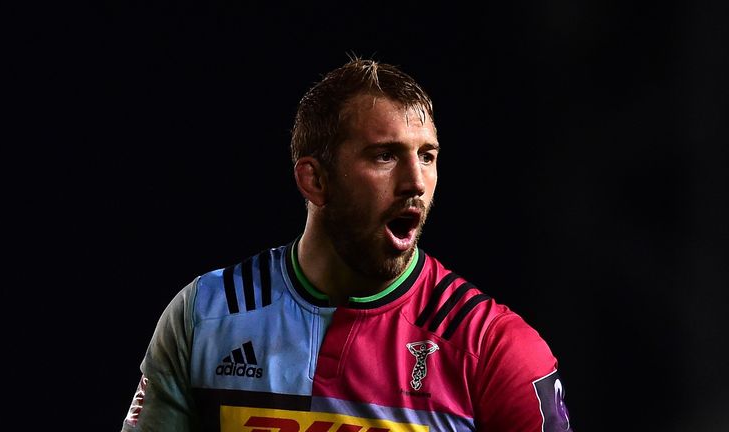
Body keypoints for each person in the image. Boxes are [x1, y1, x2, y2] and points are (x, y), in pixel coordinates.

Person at [121, 56, 573, 432]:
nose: (416, 182)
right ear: (314, 180)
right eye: (384, 155)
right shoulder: (206, 315)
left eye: (427, 156)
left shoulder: (494, 348)